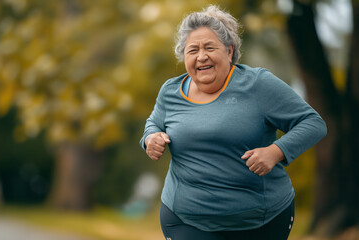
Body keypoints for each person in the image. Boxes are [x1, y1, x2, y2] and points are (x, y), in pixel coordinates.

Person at [139, 5, 327, 240]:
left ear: (229, 51)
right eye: (192, 50)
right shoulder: (171, 91)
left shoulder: (257, 84)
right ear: (184, 56)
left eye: (209, 47)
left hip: (260, 220)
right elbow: (153, 124)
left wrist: (276, 151)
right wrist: (151, 138)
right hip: (185, 219)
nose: (201, 56)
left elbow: (313, 122)